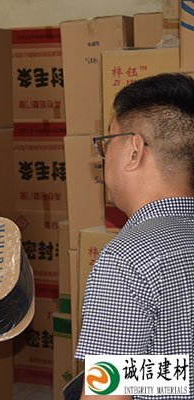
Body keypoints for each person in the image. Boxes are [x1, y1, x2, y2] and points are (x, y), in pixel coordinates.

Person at [75, 73, 194, 399]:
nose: (103, 157)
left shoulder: (127, 260)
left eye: (108, 142)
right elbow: (181, 371)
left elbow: (107, 393)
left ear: (133, 151)